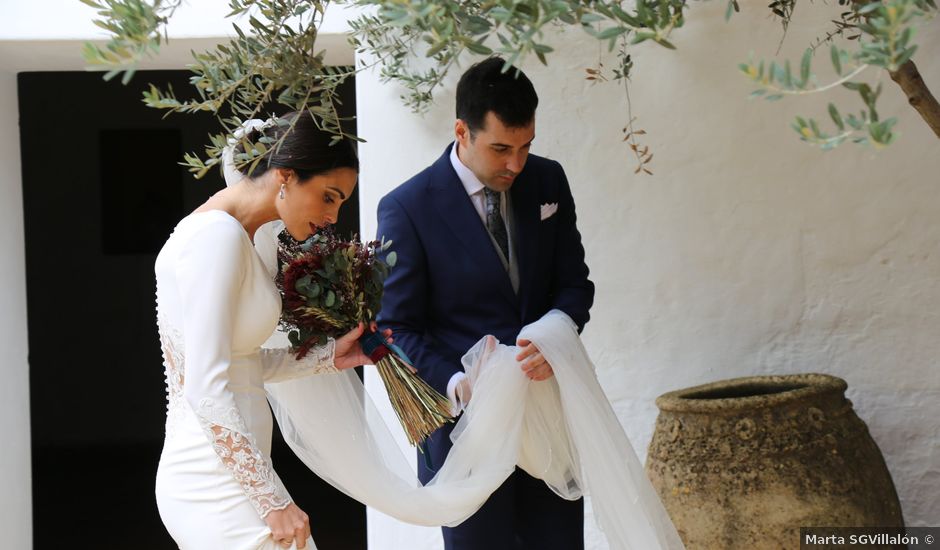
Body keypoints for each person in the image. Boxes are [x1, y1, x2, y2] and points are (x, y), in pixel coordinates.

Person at [376, 56, 595, 550]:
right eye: (501, 148)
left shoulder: (548, 181)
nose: (515, 164)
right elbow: (395, 328)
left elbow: (575, 285)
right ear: (462, 131)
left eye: (525, 147)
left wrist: (555, 334)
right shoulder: (406, 208)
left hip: (549, 424)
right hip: (463, 439)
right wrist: (457, 383)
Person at [154, 111, 384, 550]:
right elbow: (204, 387)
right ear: (285, 175)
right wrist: (270, 500)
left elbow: (239, 363)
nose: (333, 216)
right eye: (328, 197)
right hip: (213, 481)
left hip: (235, 472)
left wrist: (327, 357)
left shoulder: (239, 235)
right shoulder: (214, 237)